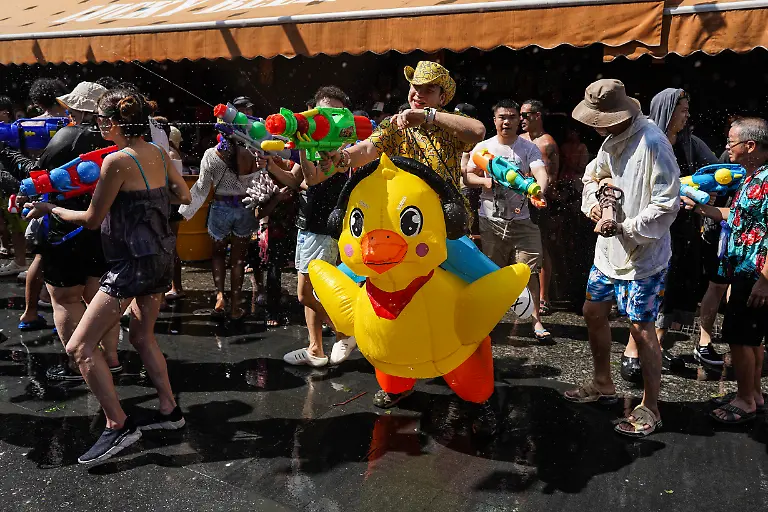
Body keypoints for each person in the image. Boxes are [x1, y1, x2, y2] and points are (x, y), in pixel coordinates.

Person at [25, 89, 192, 463]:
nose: (99, 126)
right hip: (161, 256)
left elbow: (90, 220)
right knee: (143, 336)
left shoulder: (116, 161)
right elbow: (182, 195)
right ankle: (170, 410)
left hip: (131, 264)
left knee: (79, 348)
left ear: (113, 123)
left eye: (102, 121)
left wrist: (50, 207)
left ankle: (119, 425)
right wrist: (147, 198)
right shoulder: (159, 153)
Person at [324, 61, 486, 408]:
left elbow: (477, 132)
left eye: (426, 88)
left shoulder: (449, 123)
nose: (416, 93)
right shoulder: (394, 125)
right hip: (397, 232)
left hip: (443, 227)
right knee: (359, 283)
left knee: (477, 286)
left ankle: (474, 356)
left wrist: (428, 117)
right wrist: (341, 158)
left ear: (443, 95)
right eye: (414, 87)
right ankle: (395, 375)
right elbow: (368, 148)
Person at [565, 79, 680, 438]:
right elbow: (592, 178)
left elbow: (667, 204)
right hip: (607, 251)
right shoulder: (609, 141)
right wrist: (597, 208)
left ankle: (651, 406)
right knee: (592, 311)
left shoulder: (654, 143)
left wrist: (625, 226)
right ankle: (602, 382)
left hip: (643, 255)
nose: (595, 126)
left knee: (641, 330)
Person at [1, 82, 127, 381]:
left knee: (67, 299)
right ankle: (111, 358)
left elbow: (39, 177)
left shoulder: (66, 138)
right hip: (106, 228)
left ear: (75, 109)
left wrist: (5, 158)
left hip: (64, 228)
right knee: (101, 297)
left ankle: (78, 363)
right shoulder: (118, 140)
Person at [619, 89, 720, 382]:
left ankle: (657, 348)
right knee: (652, 289)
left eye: (688, 110)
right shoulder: (647, 140)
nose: (687, 116)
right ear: (667, 110)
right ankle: (632, 354)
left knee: (673, 288)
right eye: (683, 110)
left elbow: (714, 171)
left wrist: (708, 192)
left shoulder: (690, 142)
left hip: (683, 229)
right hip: (654, 225)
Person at [682, 117, 768, 424]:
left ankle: (745, 399)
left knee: (740, 337)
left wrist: (764, 280)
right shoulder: (750, 176)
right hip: (743, 270)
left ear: (750, 146)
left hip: (754, 272)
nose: (726, 148)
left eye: (731, 142)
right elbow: (739, 215)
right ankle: (753, 393)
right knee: (750, 339)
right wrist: (702, 209)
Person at [265, 86, 355, 367]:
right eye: (322, 110)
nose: (326, 117)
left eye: (334, 111)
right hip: (308, 226)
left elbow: (314, 179)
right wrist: (269, 165)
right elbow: (296, 181)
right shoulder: (315, 144)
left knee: (305, 294)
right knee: (313, 293)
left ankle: (345, 332)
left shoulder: (342, 149)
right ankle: (316, 350)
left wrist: (302, 146)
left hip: (323, 229)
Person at [464, 99, 552, 343]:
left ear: (518, 120)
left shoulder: (528, 147)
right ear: (494, 121)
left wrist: (538, 191)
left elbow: (540, 172)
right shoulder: (483, 147)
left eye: (512, 117)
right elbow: (468, 176)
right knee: (492, 274)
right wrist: (485, 182)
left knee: (530, 272)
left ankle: (536, 322)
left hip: (524, 221)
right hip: (491, 220)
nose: (507, 121)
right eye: (502, 117)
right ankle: (488, 321)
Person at [179, 128, 261, 321]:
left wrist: (185, 211)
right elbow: (258, 184)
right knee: (238, 260)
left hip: (220, 208)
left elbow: (201, 187)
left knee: (217, 255)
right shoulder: (250, 154)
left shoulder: (211, 154)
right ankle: (235, 306)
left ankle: (219, 297)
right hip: (244, 209)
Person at [521, 99, 560, 316]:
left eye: (526, 115)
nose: (522, 120)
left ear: (537, 116)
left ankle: (544, 297)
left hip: (539, 201)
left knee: (542, 247)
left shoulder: (547, 143)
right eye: (521, 115)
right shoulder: (519, 140)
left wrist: (536, 189)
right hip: (518, 200)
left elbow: (552, 177)